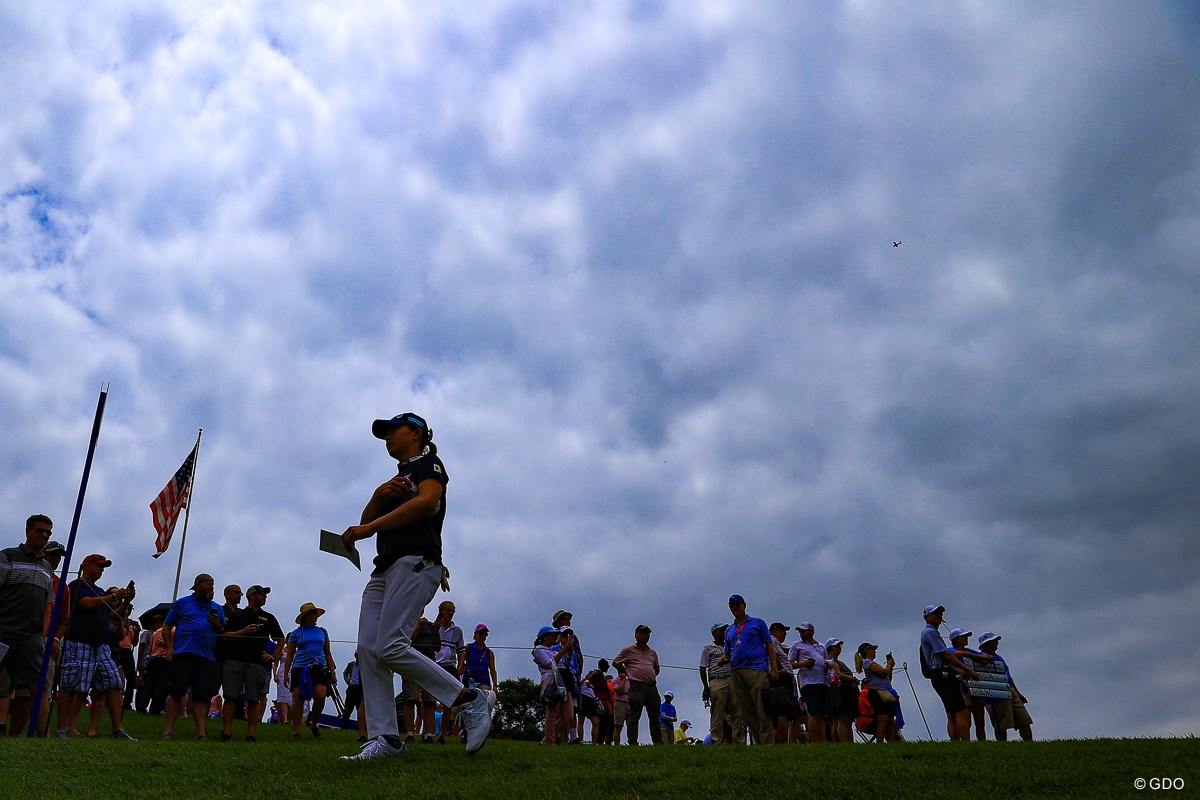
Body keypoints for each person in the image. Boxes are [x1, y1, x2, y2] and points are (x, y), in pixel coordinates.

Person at [339, 412, 493, 761]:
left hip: (416, 562)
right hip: (383, 570)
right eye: (385, 434)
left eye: (394, 431)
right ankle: (386, 739)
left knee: (390, 645)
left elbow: (426, 503)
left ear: (417, 433)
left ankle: (469, 700)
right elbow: (368, 523)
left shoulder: (431, 465)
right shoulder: (394, 479)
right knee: (368, 649)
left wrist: (367, 530)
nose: (388, 438)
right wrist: (379, 495)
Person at [56, 553, 135, 740]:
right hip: (79, 642)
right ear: (86, 565)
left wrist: (125, 602)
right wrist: (114, 595)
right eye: (98, 566)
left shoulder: (100, 590)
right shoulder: (77, 586)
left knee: (114, 683)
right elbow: (87, 604)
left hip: (102, 646)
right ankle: (62, 729)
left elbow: (112, 617)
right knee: (71, 686)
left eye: (103, 567)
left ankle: (118, 730)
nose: (101, 570)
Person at [0, 515, 55, 737]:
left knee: (38, 686)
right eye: (40, 531)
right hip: (3, 631)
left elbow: (47, 604)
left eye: (48, 533)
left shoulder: (46, 568)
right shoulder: (7, 557)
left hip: (31, 636)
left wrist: (43, 633)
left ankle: (33, 737)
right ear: (28, 531)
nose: (44, 535)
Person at [161, 573, 225, 740]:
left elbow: (222, 632)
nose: (211, 587)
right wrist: (169, 648)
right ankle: (168, 730)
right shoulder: (182, 603)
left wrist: (217, 624)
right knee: (176, 692)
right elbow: (167, 625)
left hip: (207, 657)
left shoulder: (218, 608)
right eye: (207, 584)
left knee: (202, 696)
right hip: (184, 654)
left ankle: (201, 732)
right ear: (197, 585)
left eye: (213, 584)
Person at [220, 584, 285, 741]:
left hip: (257, 662)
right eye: (262, 594)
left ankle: (251, 734)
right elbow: (225, 636)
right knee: (230, 696)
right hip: (235, 660)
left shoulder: (268, 618)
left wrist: (274, 656)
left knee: (254, 698)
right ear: (252, 596)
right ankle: (227, 731)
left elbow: (281, 639)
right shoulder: (238, 615)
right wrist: (243, 632)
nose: (265, 597)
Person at [919, 604, 979, 741]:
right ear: (926, 617)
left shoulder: (930, 633)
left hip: (940, 675)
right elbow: (945, 654)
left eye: (940, 613)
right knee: (962, 711)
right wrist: (968, 669)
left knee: (952, 713)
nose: (939, 616)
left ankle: (956, 743)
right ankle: (965, 744)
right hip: (943, 675)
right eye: (935, 613)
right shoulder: (931, 633)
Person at [722, 595, 776, 744]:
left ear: (744, 605)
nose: (735, 608)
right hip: (736, 671)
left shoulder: (757, 623)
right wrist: (723, 659)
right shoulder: (730, 630)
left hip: (757, 669)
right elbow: (727, 652)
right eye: (732, 605)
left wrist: (774, 668)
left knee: (761, 707)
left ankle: (767, 743)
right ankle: (759, 742)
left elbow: (769, 646)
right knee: (746, 710)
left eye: (737, 604)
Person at [283, 602, 336, 739]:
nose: (315, 615)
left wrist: (332, 672)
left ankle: (314, 723)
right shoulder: (296, 633)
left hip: (319, 667)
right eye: (312, 613)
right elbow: (290, 654)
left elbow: (328, 653)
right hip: (300, 667)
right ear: (306, 616)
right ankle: (296, 730)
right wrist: (286, 673)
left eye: (315, 612)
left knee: (320, 695)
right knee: (298, 697)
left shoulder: (322, 632)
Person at [977, 631, 1033, 741]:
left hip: (1009, 689)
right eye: (994, 641)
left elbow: (1009, 678)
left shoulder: (999, 658)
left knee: (1023, 719)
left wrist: (1018, 693)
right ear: (987, 644)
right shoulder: (979, 658)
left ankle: (1029, 744)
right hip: (995, 690)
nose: (997, 643)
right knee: (1001, 722)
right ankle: (1002, 744)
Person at [613, 624, 663, 745]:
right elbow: (616, 663)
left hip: (651, 686)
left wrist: (650, 675)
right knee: (634, 715)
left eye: (646, 634)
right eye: (641, 633)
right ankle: (632, 742)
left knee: (654, 716)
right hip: (636, 685)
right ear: (636, 635)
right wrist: (629, 672)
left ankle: (658, 742)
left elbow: (657, 667)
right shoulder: (628, 650)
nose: (644, 636)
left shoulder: (652, 653)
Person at [789, 621, 831, 743]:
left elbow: (826, 660)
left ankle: (823, 741)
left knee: (822, 713)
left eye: (804, 631)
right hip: (808, 682)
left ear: (811, 632)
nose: (801, 633)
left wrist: (827, 666)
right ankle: (814, 740)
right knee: (813, 712)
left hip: (823, 681)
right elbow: (789, 663)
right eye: (800, 631)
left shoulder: (821, 646)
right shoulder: (797, 645)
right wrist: (802, 664)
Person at [947, 628, 992, 740]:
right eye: (964, 636)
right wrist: (980, 657)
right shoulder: (950, 650)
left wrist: (984, 656)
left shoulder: (970, 651)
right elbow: (956, 654)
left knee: (980, 718)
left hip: (974, 685)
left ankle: (982, 742)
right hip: (961, 686)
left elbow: (981, 655)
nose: (966, 638)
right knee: (965, 716)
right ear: (956, 639)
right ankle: (965, 741)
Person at [532, 626, 572, 745]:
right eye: (552, 635)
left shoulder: (554, 650)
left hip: (561, 681)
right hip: (550, 680)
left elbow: (564, 665)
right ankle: (550, 741)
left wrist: (568, 654)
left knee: (568, 716)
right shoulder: (539, 649)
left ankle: (547, 737)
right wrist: (563, 650)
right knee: (552, 711)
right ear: (544, 637)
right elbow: (549, 664)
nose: (555, 637)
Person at [433, 600, 465, 742]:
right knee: (429, 700)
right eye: (448, 610)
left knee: (448, 702)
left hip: (450, 666)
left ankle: (443, 734)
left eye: (452, 611)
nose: (450, 614)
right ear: (441, 611)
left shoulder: (457, 630)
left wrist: (459, 667)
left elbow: (461, 651)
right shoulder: (434, 627)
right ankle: (427, 732)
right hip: (435, 665)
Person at [552, 610, 586, 743]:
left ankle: (573, 737)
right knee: (559, 708)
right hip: (558, 675)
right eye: (564, 619)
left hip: (572, 675)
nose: (567, 621)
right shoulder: (552, 637)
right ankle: (556, 736)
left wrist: (578, 673)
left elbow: (578, 655)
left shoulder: (573, 637)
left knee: (573, 708)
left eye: (568, 619)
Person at [856, 643, 897, 742]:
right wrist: (889, 664)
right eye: (872, 649)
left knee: (890, 721)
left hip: (886, 693)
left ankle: (892, 744)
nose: (875, 651)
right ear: (866, 651)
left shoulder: (871, 663)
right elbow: (883, 672)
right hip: (877, 694)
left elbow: (887, 677)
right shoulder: (867, 662)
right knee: (883, 720)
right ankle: (880, 744)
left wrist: (889, 667)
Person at [768, 622, 802, 743]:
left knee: (796, 714)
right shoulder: (770, 641)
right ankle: (783, 742)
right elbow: (770, 653)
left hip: (786, 679)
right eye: (783, 631)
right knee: (783, 712)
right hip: (780, 678)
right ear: (775, 630)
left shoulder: (776, 644)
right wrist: (777, 667)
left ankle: (790, 741)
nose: (785, 634)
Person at [698, 622, 731, 745]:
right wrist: (706, 686)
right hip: (716, 679)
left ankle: (739, 740)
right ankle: (716, 741)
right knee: (717, 712)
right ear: (714, 632)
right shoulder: (708, 647)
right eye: (721, 630)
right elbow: (702, 667)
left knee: (736, 710)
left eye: (724, 630)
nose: (724, 632)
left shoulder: (729, 646)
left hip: (731, 678)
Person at [826, 638, 859, 743]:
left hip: (847, 692)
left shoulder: (840, 662)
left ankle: (848, 742)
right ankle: (843, 742)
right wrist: (853, 679)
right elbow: (838, 674)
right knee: (843, 720)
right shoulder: (830, 661)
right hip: (840, 693)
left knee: (847, 721)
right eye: (836, 646)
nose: (839, 648)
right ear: (830, 648)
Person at [584, 658, 615, 744]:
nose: (608, 668)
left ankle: (600, 740)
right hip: (599, 701)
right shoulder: (597, 673)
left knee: (603, 722)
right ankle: (599, 741)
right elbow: (591, 683)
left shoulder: (600, 674)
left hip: (604, 701)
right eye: (607, 666)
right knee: (600, 722)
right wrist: (601, 687)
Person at [462, 624, 497, 691]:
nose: (483, 636)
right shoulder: (469, 647)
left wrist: (495, 685)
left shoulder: (489, 652)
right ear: (476, 635)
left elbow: (492, 670)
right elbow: (461, 661)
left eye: (485, 634)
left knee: (483, 697)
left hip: (484, 681)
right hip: (469, 680)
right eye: (481, 633)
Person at [610, 661, 630, 745]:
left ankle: (632, 743)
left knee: (631, 725)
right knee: (618, 726)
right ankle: (617, 745)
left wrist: (625, 691)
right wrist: (624, 680)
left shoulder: (630, 681)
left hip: (629, 703)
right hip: (620, 703)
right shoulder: (615, 681)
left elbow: (631, 692)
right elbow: (619, 690)